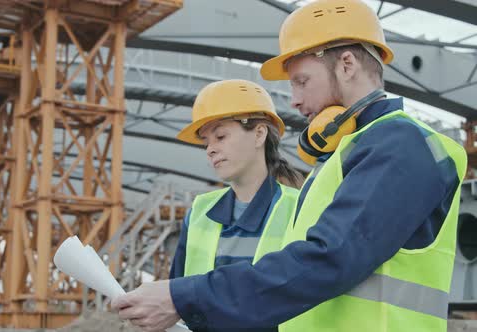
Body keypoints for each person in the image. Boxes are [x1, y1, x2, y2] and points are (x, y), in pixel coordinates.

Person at [111, 1, 468, 331]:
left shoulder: (400, 145)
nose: (294, 100)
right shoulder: (346, 154)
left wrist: (183, 296)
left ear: (346, 64)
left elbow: (328, 258)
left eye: (301, 81)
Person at [170, 79, 302, 332]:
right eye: (206, 142)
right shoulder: (199, 213)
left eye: (220, 136)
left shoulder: (298, 209)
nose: (210, 149)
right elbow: (176, 296)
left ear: (259, 134)